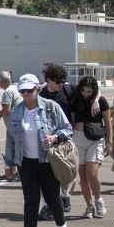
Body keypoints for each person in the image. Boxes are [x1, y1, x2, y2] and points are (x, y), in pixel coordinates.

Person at [5, 74, 72, 227]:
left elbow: (67, 128)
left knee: (52, 199)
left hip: (47, 161)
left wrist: (55, 138)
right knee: (31, 201)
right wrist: (9, 164)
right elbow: (10, 139)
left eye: (29, 90)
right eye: (22, 91)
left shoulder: (51, 107)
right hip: (26, 162)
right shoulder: (17, 111)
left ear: (37, 89)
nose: (26, 94)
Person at [71, 75, 111, 218]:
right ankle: (89, 206)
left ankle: (99, 200)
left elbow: (107, 122)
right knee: (82, 176)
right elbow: (73, 119)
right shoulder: (76, 99)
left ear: (94, 90)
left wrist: (109, 141)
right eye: (84, 91)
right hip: (78, 139)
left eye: (89, 91)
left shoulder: (101, 101)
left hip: (95, 140)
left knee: (92, 174)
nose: (86, 94)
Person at [39, 62, 74, 217]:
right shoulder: (39, 93)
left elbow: (93, 90)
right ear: (49, 80)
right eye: (58, 82)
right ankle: (50, 205)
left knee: (65, 171)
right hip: (46, 140)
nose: (61, 84)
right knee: (47, 175)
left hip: (64, 137)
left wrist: (95, 101)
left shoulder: (68, 90)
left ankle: (65, 196)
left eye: (63, 81)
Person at [0, 70, 23, 182]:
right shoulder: (16, 89)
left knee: (10, 150)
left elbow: (6, 110)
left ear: (3, 81)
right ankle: (15, 172)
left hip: (13, 126)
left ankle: (11, 174)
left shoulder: (7, 92)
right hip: (20, 124)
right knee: (18, 149)